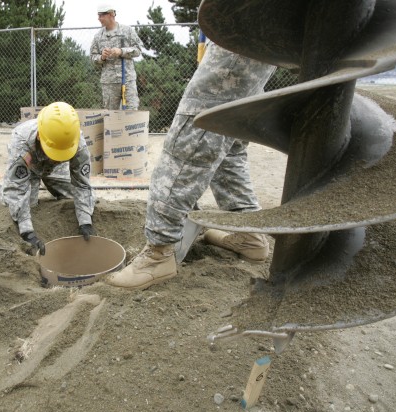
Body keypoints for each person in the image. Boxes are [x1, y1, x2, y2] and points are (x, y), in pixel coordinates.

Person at [106, 41, 276, 290]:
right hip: (266, 40)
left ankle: (158, 254)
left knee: (197, 122)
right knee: (228, 133)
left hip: (250, 27)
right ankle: (249, 233)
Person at [0, 102, 96, 254]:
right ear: (39, 136)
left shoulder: (75, 142)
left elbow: (82, 184)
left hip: (56, 165)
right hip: (31, 165)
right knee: (23, 204)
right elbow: (17, 189)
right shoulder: (21, 143)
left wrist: (85, 221)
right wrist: (27, 232)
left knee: (71, 196)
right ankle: (4, 189)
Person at [90, 4, 143, 110]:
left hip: (127, 79)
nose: (99, 19)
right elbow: (93, 57)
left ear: (111, 14)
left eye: (101, 16)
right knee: (110, 114)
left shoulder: (127, 31)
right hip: (109, 82)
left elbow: (138, 50)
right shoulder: (98, 36)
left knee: (131, 111)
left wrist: (121, 51)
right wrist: (101, 57)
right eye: (98, 15)